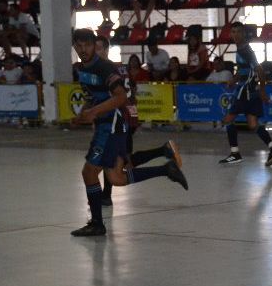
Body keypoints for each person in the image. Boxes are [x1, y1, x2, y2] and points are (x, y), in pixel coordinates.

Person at [70, 29, 188, 236]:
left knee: (89, 172)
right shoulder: (81, 69)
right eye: (78, 46)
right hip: (109, 125)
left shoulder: (104, 68)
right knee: (116, 177)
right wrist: (81, 115)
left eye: (87, 45)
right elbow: (93, 97)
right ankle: (166, 169)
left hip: (111, 126)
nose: (83, 50)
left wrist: (94, 113)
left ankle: (97, 223)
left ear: (95, 47)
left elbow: (121, 97)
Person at [218, 22, 272, 166]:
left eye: (238, 32)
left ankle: (235, 153)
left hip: (245, 90)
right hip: (250, 91)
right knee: (253, 124)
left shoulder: (245, 50)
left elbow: (259, 70)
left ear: (243, 34)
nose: (235, 34)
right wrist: (234, 79)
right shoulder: (240, 49)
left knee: (228, 120)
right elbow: (243, 70)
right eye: (233, 32)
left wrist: (263, 91)